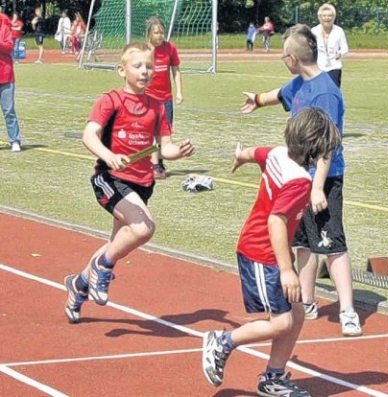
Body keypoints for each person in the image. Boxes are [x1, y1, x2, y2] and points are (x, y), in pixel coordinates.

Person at [202, 107, 341, 396]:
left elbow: (256, 153)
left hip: (268, 251)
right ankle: (222, 341)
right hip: (260, 253)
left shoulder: (279, 153)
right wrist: (288, 269)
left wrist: (241, 156)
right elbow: (275, 220)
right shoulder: (300, 182)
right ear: (315, 150)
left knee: (297, 316)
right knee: (282, 322)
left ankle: (273, 378)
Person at [240, 24, 362, 337]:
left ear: (293, 59)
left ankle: (348, 310)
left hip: (325, 179)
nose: (282, 59)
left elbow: (327, 144)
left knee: (332, 243)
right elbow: (279, 94)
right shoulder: (299, 83)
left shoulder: (324, 91)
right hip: (299, 180)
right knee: (303, 242)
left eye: (284, 55)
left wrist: (318, 187)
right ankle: (307, 301)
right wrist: (256, 98)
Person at [63, 42, 195, 324]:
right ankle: (102, 266)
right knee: (144, 228)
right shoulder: (110, 100)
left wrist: (178, 153)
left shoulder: (157, 106)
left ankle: (79, 284)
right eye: (138, 66)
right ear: (122, 70)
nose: (145, 71)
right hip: (109, 178)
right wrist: (109, 156)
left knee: (117, 241)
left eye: (150, 66)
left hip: (142, 184)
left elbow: (165, 146)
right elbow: (89, 136)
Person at [145, 17, 183, 180]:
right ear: (149, 34)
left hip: (165, 98)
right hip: (148, 98)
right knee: (151, 134)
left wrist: (179, 91)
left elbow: (176, 71)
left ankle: (158, 163)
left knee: (164, 135)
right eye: (156, 32)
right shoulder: (145, 50)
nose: (160, 36)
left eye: (162, 32)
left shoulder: (170, 48)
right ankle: (154, 166)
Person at [311, 4, 349, 88]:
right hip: (318, 67)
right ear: (320, 17)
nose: (327, 18)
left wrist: (340, 53)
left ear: (333, 17)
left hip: (334, 67)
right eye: (324, 16)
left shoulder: (339, 31)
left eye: (329, 16)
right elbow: (309, 47)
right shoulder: (314, 31)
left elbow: (345, 47)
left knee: (333, 92)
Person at [0, 8, 22, 152]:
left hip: (5, 75)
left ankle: (15, 140)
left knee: (8, 110)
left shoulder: (4, 27)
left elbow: (9, 47)